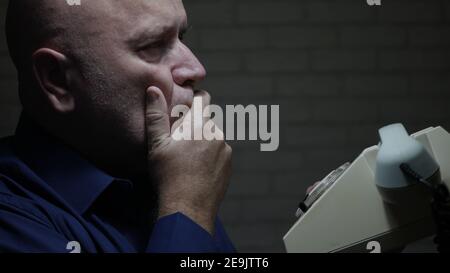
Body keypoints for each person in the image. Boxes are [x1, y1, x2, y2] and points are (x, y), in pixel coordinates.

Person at [0, 0, 234, 253]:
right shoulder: (12, 217)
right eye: (153, 46)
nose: (196, 69)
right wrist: (188, 207)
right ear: (56, 78)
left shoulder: (161, 165)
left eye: (181, 36)